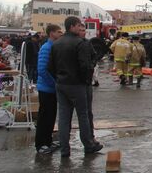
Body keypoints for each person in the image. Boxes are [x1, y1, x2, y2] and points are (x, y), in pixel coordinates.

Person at [48, 16, 103, 158]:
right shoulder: (80, 43)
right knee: (83, 115)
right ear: (72, 26)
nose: (81, 28)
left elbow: (50, 67)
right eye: (79, 25)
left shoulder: (56, 43)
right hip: (77, 85)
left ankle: (65, 149)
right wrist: (86, 80)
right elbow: (85, 66)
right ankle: (89, 144)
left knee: (64, 117)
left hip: (61, 84)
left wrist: (59, 78)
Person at [35, 24, 63, 154]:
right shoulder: (47, 48)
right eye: (58, 32)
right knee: (44, 117)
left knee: (51, 117)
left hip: (50, 89)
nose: (61, 34)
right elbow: (42, 70)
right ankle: (41, 144)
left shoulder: (53, 47)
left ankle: (48, 141)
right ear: (52, 33)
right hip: (46, 89)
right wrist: (54, 84)